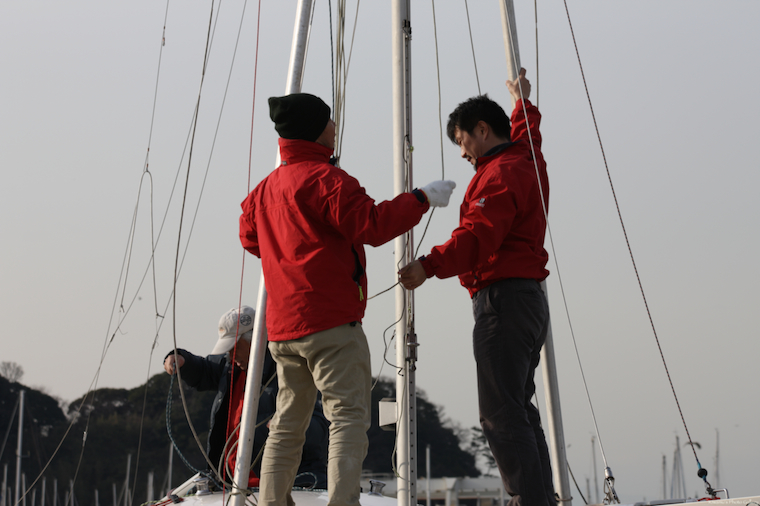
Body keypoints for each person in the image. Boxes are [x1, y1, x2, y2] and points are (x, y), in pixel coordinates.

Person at [239, 92, 456, 506]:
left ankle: (270, 501)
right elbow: (372, 225)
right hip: (332, 324)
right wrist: (423, 198)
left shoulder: (263, 190)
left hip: (283, 329)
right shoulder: (327, 180)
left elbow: (250, 237)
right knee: (347, 418)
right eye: (328, 120)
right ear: (314, 129)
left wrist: (289, 248)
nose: (334, 126)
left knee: (286, 422)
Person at [398, 68, 556, 506]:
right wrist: (522, 102)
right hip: (528, 302)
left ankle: (530, 501)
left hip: (503, 302)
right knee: (517, 408)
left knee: (502, 414)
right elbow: (529, 135)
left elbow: (478, 236)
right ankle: (539, 498)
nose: (463, 152)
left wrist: (428, 266)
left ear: (482, 130)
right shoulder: (527, 159)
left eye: (462, 140)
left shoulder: (500, 174)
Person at [163, 305, 329, 489]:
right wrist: (182, 360)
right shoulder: (231, 365)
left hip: (290, 484)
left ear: (257, 339)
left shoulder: (291, 370)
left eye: (234, 347)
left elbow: (320, 429)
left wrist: (287, 424)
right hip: (234, 486)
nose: (230, 355)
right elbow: (205, 370)